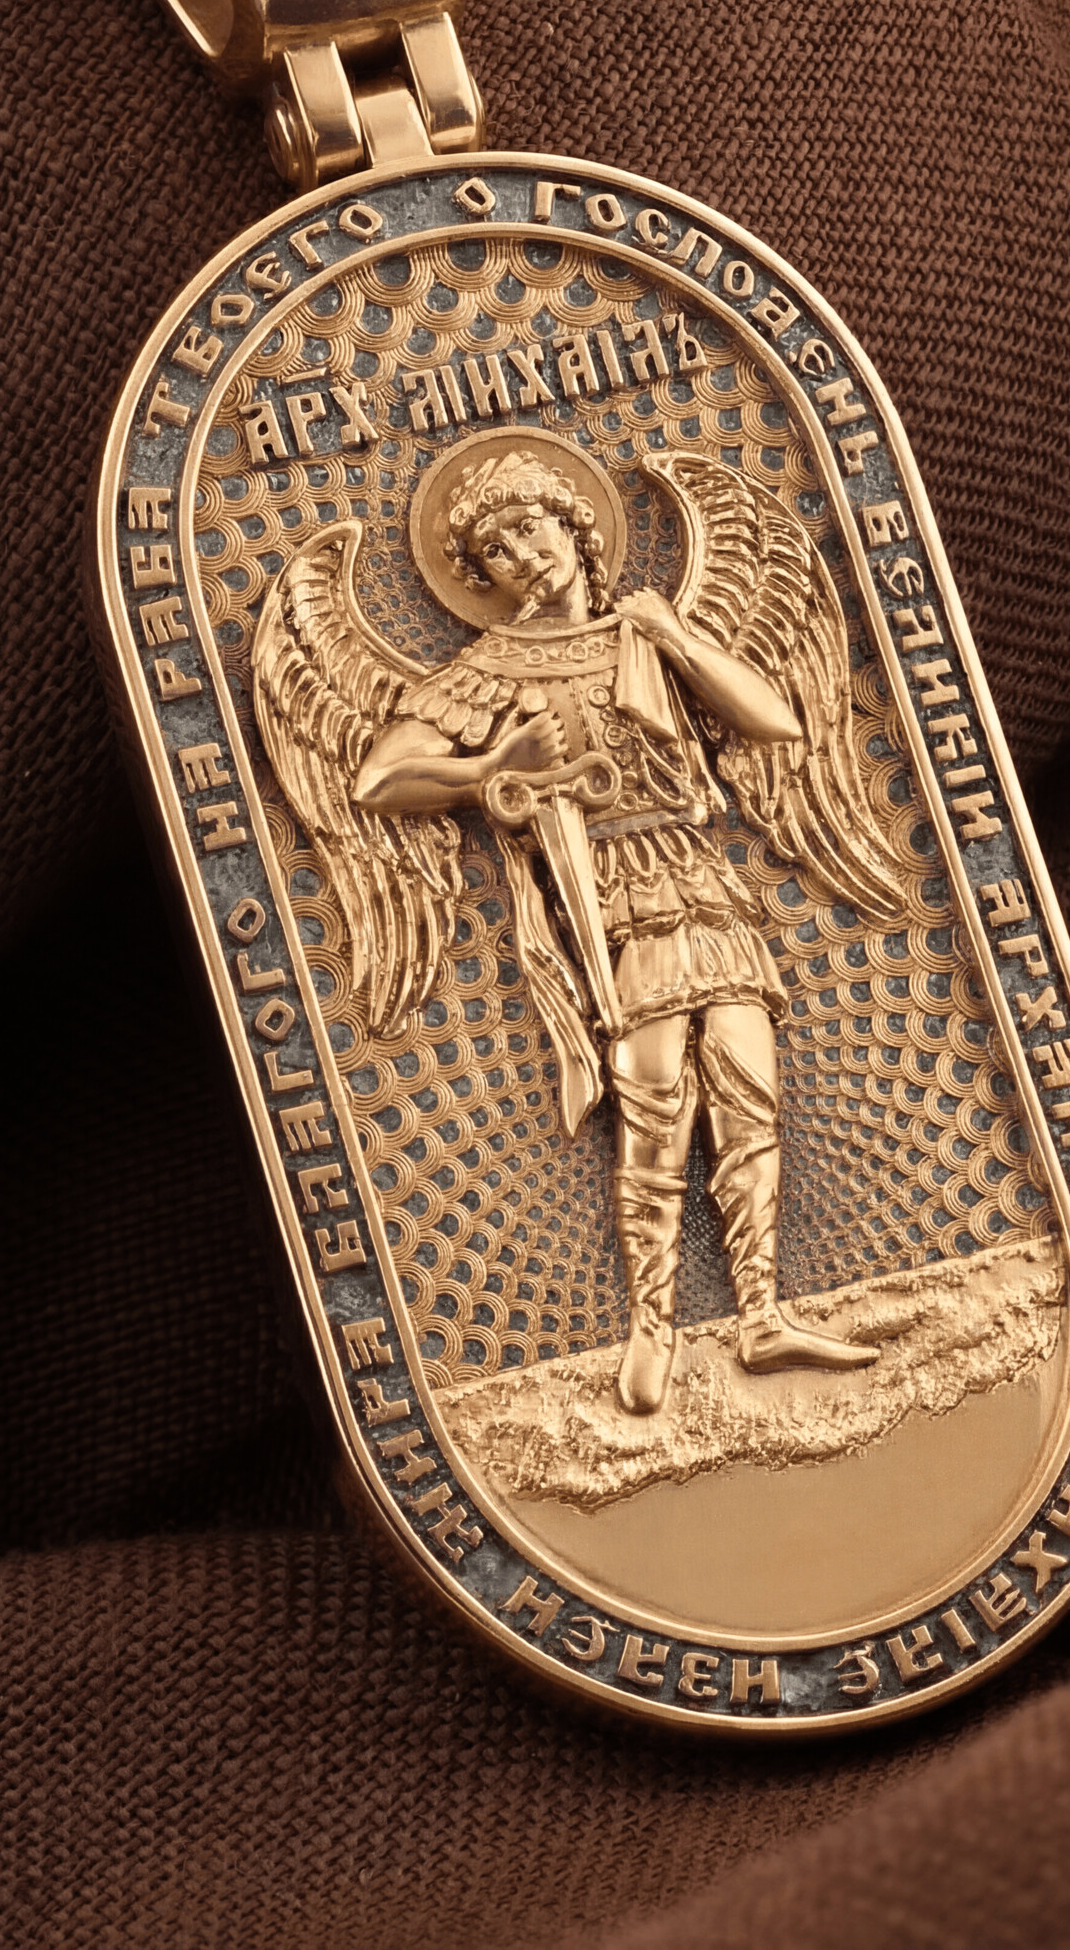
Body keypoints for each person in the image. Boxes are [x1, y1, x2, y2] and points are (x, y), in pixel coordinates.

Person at [352, 448, 875, 1415]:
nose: (522, 554)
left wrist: (673, 637)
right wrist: (490, 768)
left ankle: (762, 1316)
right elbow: (380, 778)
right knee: (655, 1104)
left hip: (702, 881)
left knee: (749, 1094)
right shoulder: (491, 668)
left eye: (531, 526)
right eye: (496, 548)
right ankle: (652, 1325)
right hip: (609, 897)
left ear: (574, 525)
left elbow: (774, 722)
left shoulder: (647, 629)